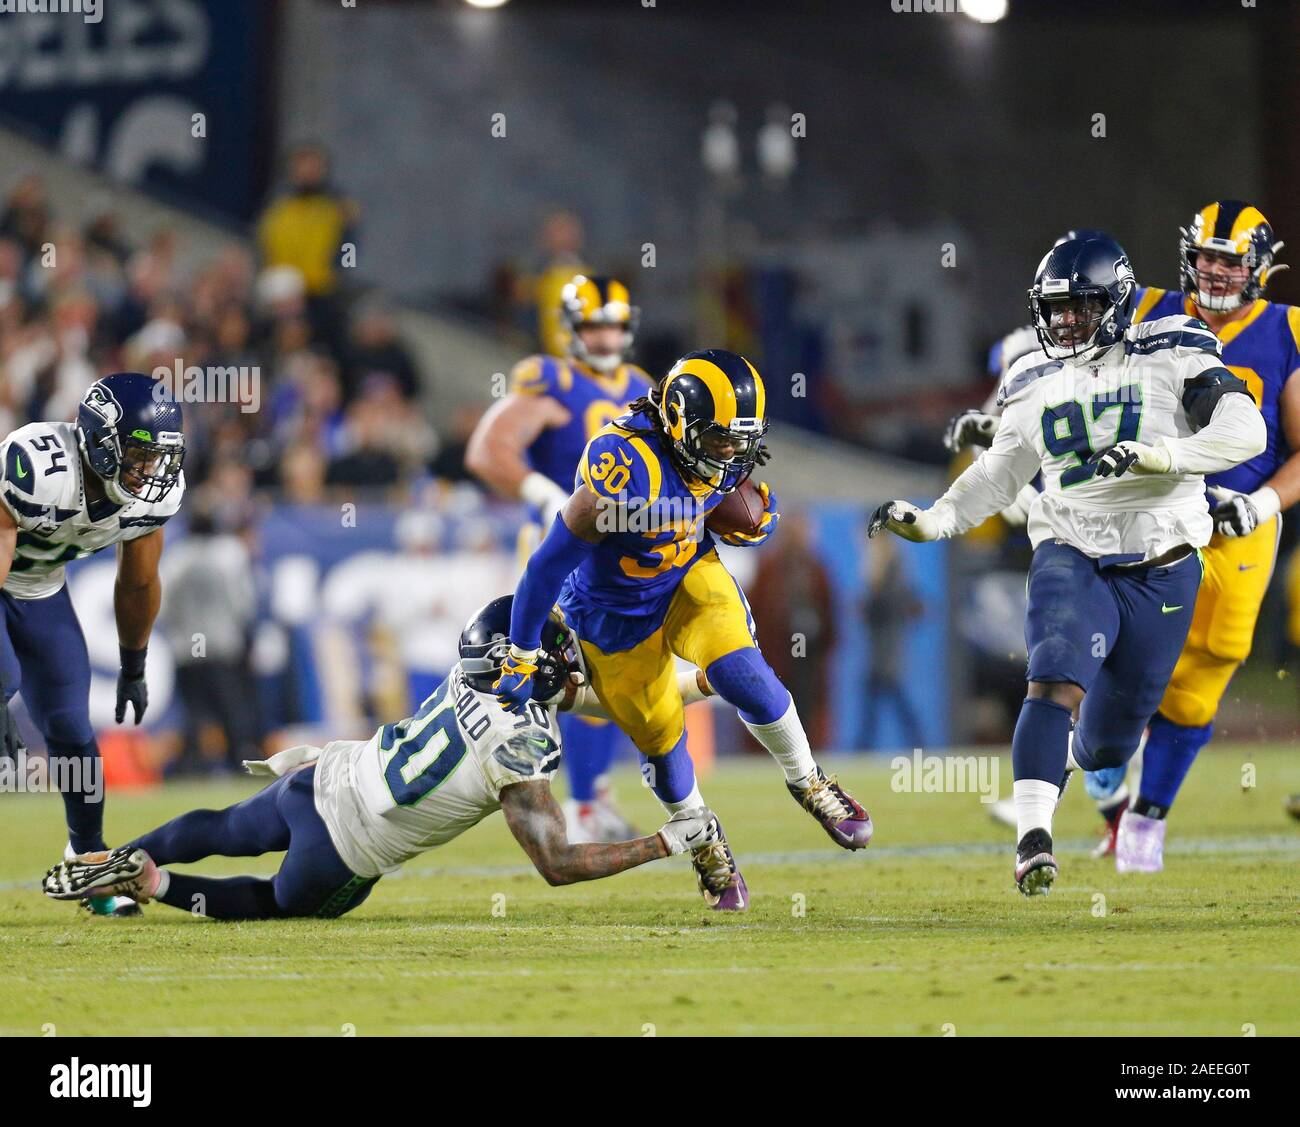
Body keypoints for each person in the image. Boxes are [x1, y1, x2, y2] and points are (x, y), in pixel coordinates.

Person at [869, 234, 1265, 895]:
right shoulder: (1033, 378)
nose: (1063, 322)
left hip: (1162, 565)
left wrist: (1161, 455)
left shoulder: (1172, 348)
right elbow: (1000, 474)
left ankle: (1093, 767)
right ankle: (1034, 838)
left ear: (1113, 302)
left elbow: (1246, 430)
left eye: (1079, 308)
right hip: (1072, 551)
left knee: (1108, 742)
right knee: (1051, 676)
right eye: (1054, 309)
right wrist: (936, 518)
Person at [43, 597, 722, 919]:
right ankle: (152, 884)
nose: (570, 661)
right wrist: (665, 840)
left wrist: (699, 686)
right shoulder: (521, 742)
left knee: (227, 827)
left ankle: (110, 858)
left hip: (325, 777)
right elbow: (558, 864)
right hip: (344, 849)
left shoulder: (474, 673)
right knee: (278, 906)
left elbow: (580, 697)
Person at [492, 349, 873, 911]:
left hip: (688, 577)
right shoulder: (624, 467)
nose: (733, 452)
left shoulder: (722, 448)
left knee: (745, 674)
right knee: (664, 745)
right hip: (612, 612)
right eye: (721, 439)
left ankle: (810, 780)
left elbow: (723, 493)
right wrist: (522, 649)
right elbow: (547, 564)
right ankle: (702, 836)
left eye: (741, 439)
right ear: (679, 423)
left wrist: (743, 520)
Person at [466, 275, 654, 843]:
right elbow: (488, 448)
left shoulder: (644, 384)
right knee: (583, 668)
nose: (603, 336)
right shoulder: (552, 380)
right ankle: (577, 801)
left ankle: (592, 795)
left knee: (617, 664)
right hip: (564, 549)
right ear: (571, 328)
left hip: (623, 549)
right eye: (594, 325)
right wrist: (542, 493)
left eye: (613, 325)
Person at [0, 372, 186, 915]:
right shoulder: (39, 468)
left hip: (38, 589)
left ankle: (89, 862)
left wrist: (134, 663)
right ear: (97, 439)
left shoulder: (149, 498)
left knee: (72, 730)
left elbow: (138, 583)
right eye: (135, 453)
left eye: (157, 458)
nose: (148, 470)